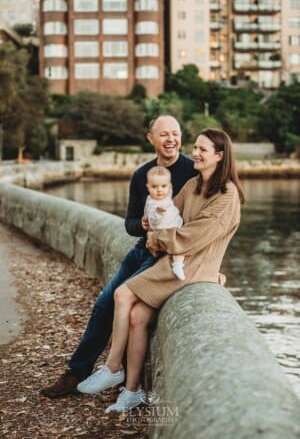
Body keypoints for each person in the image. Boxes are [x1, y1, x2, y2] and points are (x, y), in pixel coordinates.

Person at [76, 128, 245, 413]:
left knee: (121, 294)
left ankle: (113, 367)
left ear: (219, 156)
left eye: (203, 149)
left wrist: (156, 238)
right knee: (137, 317)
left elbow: (190, 237)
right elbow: (165, 214)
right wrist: (154, 227)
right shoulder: (193, 185)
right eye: (196, 147)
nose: (196, 153)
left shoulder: (227, 196)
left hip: (192, 268)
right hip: (178, 261)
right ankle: (132, 392)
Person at [41, 115, 198, 398]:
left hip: (166, 255)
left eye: (175, 133)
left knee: (125, 302)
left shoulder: (193, 171)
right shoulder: (141, 176)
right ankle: (77, 371)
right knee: (103, 304)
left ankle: (121, 373)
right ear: (151, 139)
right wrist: (144, 225)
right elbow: (129, 223)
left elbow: (202, 224)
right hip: (141, 249)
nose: (171, 139)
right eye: (164, 134)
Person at [144, 166, 185, 280]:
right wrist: (158, 212)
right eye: (154, 187)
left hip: (175, 227)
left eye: (163, 186)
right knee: (180, 248)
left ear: (169, 187)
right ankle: (177, 265)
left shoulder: (166, 195)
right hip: (165, 231)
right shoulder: (153, 204)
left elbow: (167, 189)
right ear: (148, 187)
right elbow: (153, 220)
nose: (159, 190)